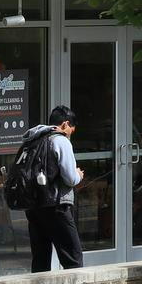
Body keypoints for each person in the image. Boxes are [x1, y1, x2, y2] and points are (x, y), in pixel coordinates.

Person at [20, 105, 84, 272]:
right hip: (56, 207)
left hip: (33, 206)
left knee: (40, 258)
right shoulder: (60, 140)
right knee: (73, 258)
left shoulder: (33, 139)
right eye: (71, 130)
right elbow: (70, 179)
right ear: (65, 124)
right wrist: (79, 175)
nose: (69, 135)